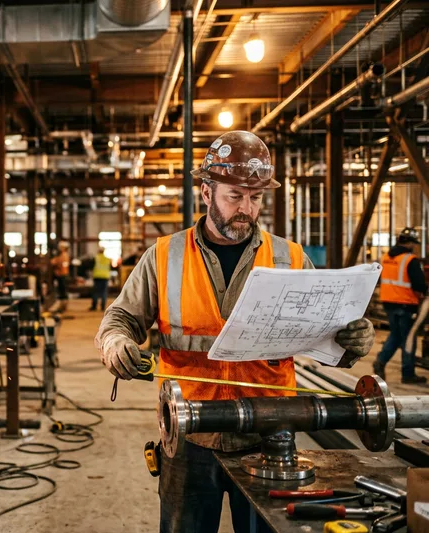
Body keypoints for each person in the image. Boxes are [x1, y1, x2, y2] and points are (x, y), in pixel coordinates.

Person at [94, 131, 375, 533]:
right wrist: (115, 342)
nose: (246, 209)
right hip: (190, 435)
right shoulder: (165, 255)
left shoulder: (290, 257)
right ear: (206, 192)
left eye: (255, 197)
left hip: (270, 434)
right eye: (235, 196)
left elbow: (325, 338)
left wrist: (351, 342)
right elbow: (120, 318)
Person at [373, 227, 427, 384]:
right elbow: (419, 285)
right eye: (414, 243)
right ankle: (408, 373)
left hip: (388, 302)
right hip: (406, 304)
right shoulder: (410, 260)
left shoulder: (386, 257)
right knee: (408, 338)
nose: (414, 246)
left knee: (396, 335)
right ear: (409, 243)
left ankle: (381, 361)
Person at [90, 246, 111, 311]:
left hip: (97, 277)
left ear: (98, 251)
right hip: (105, 277)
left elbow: (91, 266)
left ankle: (94, 306)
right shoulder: (107, 259)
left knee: (96, 292)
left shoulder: (96, 258)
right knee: (104, 292)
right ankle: (103, 307)